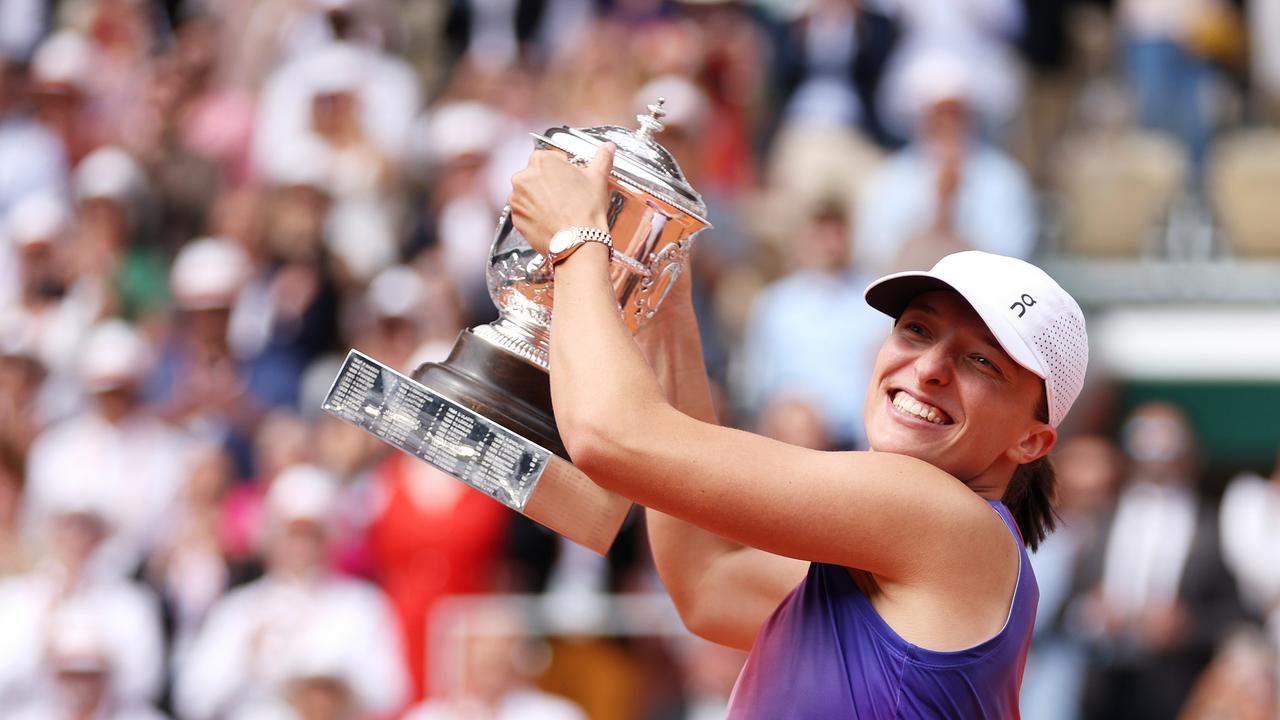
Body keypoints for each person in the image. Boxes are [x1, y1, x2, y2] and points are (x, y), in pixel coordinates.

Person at [506, 142, 1089, 716]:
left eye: (981, 361)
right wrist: (666, 299)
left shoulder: (940, 517)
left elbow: (611, 437)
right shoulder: (900, 556)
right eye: (916, 330)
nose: (930, 368)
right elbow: (707, 583)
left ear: (1030, 441)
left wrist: (577, 238)